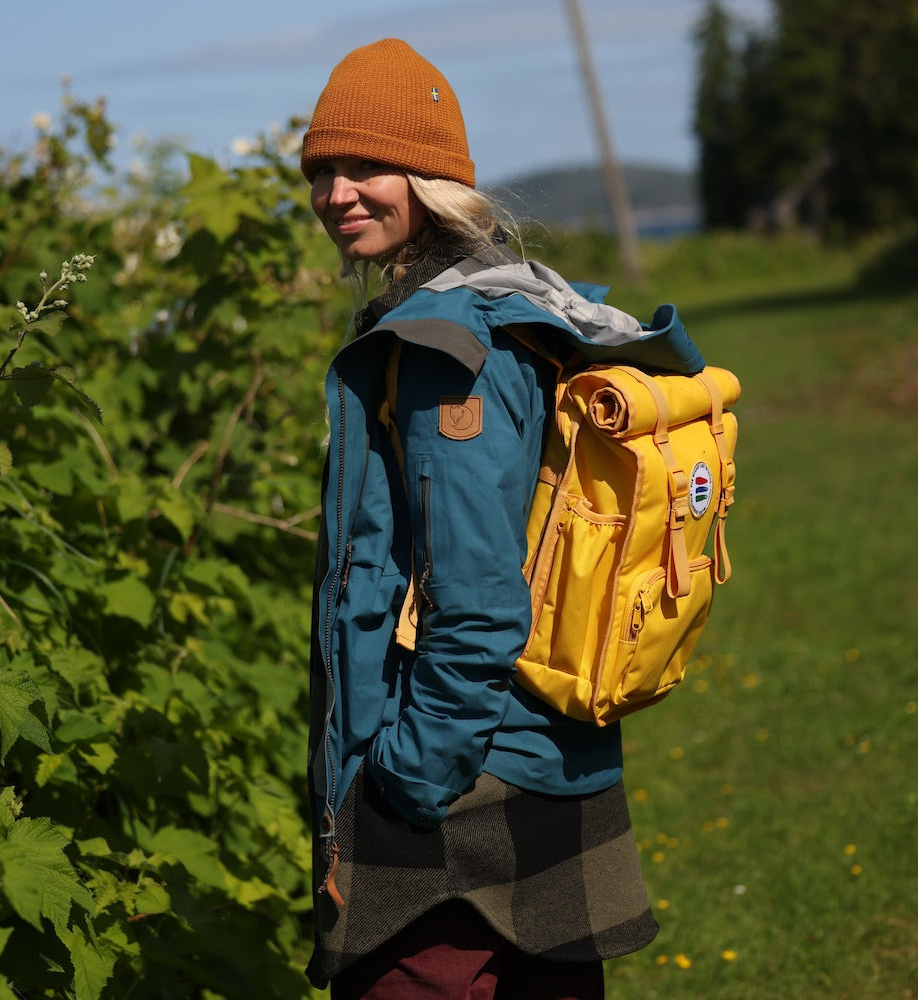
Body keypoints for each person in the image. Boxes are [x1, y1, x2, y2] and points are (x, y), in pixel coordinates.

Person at [302, 38, 701, 999]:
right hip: (545, 754)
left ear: (432, 179)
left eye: (367, 166)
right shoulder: (518, 305)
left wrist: (401, 783)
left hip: (462, 793)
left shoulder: (446, 347)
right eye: (322, 170)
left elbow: (476, 606)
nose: (338, 193)